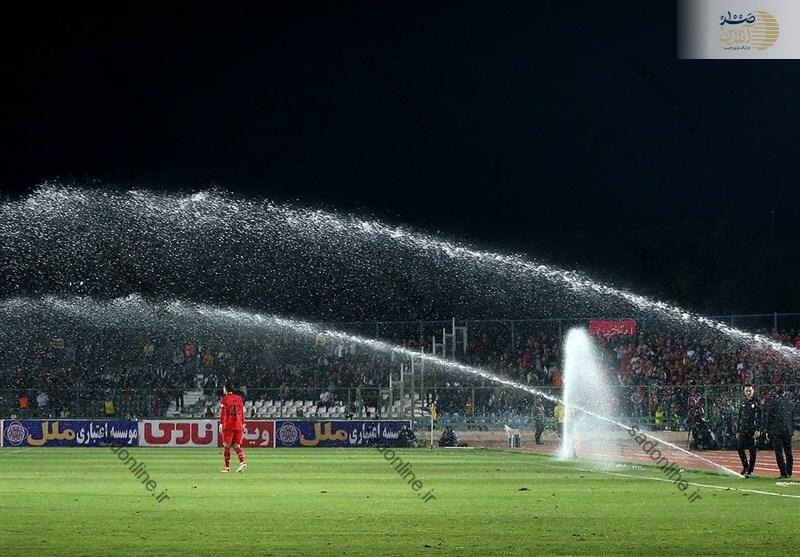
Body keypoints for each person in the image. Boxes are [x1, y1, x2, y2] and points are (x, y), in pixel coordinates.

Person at [766, 386, 794, 479]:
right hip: (787, 430)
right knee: (788, 452)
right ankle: (789, 471)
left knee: (779, 452)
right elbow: (792, 417)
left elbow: (769, 417)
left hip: (777, 431)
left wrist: (768, 430)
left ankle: (783, 472)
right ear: (784, 392)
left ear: (776, 393)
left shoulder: (773, 402)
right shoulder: (789, 402)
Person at [219, 383, 247, 473]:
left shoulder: (225, 399)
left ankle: (227, 468)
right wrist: (242, 423)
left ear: (226, 389)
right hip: (238, 424)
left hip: (229, 425)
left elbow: (223, 413)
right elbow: (242, 412)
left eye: (224, 388)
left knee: (226, 446)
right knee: (236, 445)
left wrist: (221, 424)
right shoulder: (239, 398)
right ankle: (242, 462)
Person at [736, 384, 762, 478]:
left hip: (752, 430)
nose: (748, 392)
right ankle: (745, 466)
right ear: (744, 391)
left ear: (753, 391)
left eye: (749, 390)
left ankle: (750, 471)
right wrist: (738, 430)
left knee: (752, 451)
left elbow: (760, 417)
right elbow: (740, 417)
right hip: (743, 429)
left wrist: (758, 429)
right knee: (739, 448)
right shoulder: (743, 402)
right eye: (746, 390)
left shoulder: (757, 402)